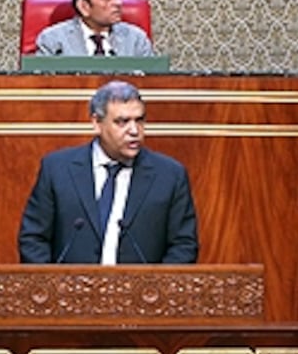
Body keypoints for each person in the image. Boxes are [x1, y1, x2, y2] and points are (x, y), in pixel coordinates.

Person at [18, 80, 198, 264]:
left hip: (141, 291)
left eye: (140, 120)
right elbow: (33, 239)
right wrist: (53, 288)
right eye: (122, 122)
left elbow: (183, 246)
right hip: (70, 290)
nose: (134, 131)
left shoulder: (169, 175)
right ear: (96, 123)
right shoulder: (57, 169)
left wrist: (155, 289)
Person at [34, 0, 155, 56]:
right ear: (84, 6)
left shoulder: (136, 39)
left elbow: (153, 84)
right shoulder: (52, 40)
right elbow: (39, 85)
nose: (118, 2)